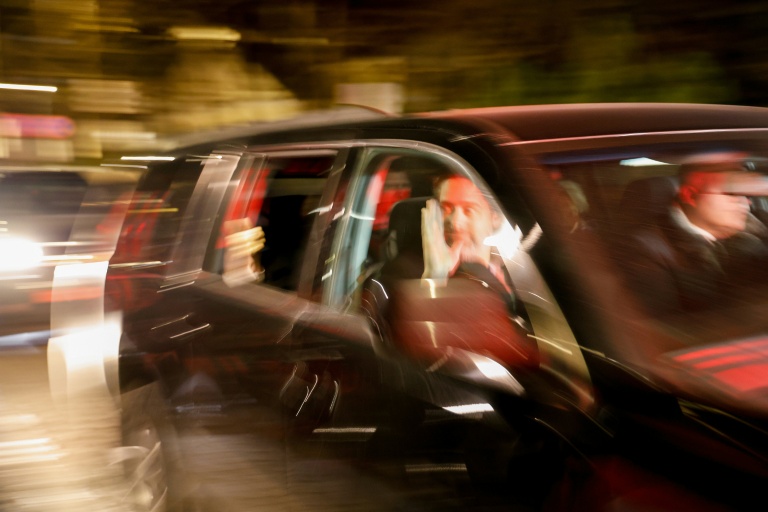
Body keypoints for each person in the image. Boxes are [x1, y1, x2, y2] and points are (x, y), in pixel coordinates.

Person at [622, 154, 768, 317]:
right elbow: (670, 329)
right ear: (690, 195)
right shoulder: (647, 250)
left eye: (745, 193)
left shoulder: (758, 230)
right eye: (731, 192)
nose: (745, 202)